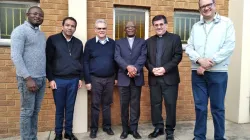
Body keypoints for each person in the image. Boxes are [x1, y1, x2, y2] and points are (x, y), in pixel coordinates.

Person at [185, 0, 235, 140]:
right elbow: (189, 47)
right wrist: (200, 61)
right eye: (202, 6)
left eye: (208, 5)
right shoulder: (196, 26)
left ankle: (220, 137)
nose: (206, 8)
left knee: (217, 108)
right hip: (198, 73)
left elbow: (229, 47)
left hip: (218, 73)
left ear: (214, 5)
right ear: (199, 9)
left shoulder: (226, 23)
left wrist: (208, 64)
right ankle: (199, 137)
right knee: (200, 107)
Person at [11, 6, 46, 140]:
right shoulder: (20, 31)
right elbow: (16, 56)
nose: (38, 17)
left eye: (41, 15)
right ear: (27, 14)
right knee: (27, 112)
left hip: (41, 79)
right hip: (28, 80)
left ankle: (33, 137)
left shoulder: (41, 35)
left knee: (35, 112)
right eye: (35, 14)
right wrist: (27, 78)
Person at [145, 15, 183, 140]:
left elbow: (177, 56)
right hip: (154, 78)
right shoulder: (149, 41)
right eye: (156, 25)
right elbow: (145, 59)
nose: (159, 27)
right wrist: (152, 69)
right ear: (153, 26)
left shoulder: (175, 38)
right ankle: (158, 128)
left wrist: (164, 68)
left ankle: (170, 130)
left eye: (161, 24)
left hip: (170, 78)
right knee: (155, 104)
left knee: (170, 104)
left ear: (166, 25)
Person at [46, 17, 84, 140]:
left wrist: (80, 78)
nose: (70, 28)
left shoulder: (78, 43)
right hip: (58, 80)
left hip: (73, 80)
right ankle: (58, 134)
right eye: (67, 25)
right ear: (62, 26)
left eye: (72, 26)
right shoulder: (53, 40)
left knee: (70, 108)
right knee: (60, 108)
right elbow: (48, 61)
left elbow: (81, 61)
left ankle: (68, 132)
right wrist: (51, 79)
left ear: (75, 28)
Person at [83, 19, 117, 138]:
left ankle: (107, 126)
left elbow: (116, 61)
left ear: (106, 29)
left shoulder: (113, 43)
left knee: (107, 104)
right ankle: (94, 129)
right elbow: (85, 63)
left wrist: (116, 77)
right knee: (95, 105)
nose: (101, 30)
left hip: (110, 79)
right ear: (95, 30)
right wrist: (87, 81)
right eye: (99, 28)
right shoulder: (90, 43)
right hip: (95, 79)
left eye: (103, 28)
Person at [115, 21, 147, 139]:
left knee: (135, 105)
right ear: (124, 29)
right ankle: (125, 130)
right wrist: (127, 67)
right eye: (128, 27)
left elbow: (143, 56)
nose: (130, 29)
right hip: (123, 78)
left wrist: (135, 69)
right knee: (123, 105)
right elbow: (117, 57)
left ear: (135, 29)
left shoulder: (142, 42)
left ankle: (134, 130)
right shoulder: (119, 42)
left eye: (132, 27)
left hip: (136, 78)